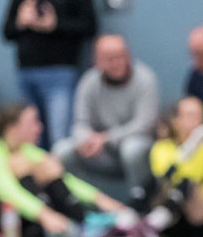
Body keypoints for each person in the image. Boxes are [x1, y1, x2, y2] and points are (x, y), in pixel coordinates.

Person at [0, 103, 127, 237]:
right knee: (22, 171)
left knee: (47, 167)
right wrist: (46, 216)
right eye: (33, 122)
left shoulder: (26, 150)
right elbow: (7, 191)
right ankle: (74, 225)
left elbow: (63, 178)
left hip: (8, 219)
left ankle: (84, 221)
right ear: (13, 129)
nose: (39, 128)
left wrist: (101, 199)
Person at [1, 0, 97, 148]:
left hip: (60, 74)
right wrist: (21, 21)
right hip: (27, 73)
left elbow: (90, 27)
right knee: (31, 141)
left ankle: (57, 183)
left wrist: (55, 25)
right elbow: (6, 32)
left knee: (59, 141)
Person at [55, 34, 159, 208]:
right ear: (97, 61)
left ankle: (139, 209)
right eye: (110, 58)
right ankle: (83, 209)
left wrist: (105, 138)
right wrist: (86, 140)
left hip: (136, 151)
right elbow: (80, 122)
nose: (117, 63)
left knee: (132, 149)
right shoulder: (89, 82)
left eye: (121, 56)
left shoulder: (145, 79)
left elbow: (144, 123)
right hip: (100, 153)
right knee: (62, 150)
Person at [138, 96, 203, 237]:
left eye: (199, 115)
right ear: (175, 121)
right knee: (155, 183)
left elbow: (197, 173)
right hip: (174, 218)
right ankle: (135, 217)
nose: (196, 120)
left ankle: (156, 219)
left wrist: (200, 139)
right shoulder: (162, 147)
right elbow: (164, 174)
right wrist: (192, 144)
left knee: (187, 182)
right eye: (189, 115)